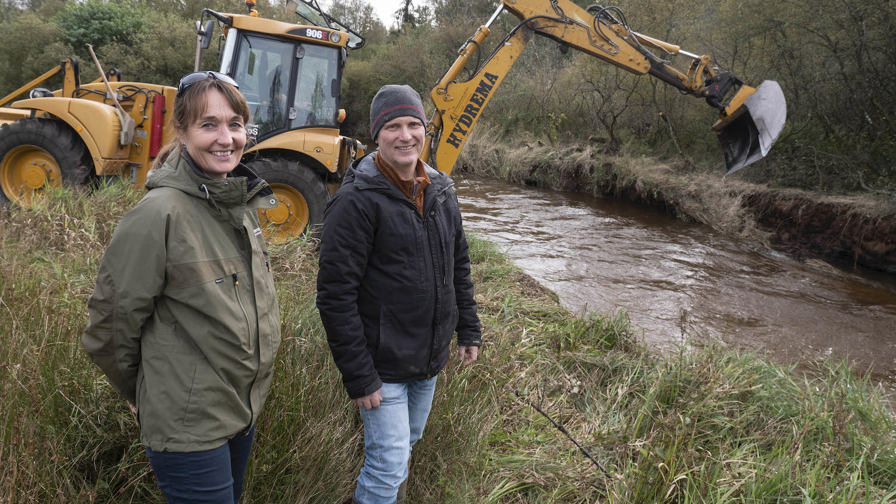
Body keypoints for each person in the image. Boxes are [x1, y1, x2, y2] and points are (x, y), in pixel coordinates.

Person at [81, 71, 281, 504]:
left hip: (239, 411)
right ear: (183, 132)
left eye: (235, 124)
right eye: (208, 125)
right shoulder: (158, 215)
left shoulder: (238, 204)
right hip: (188, 423)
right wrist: (142, 393)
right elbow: (109, 327)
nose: (226, 138)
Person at [316, 84, 482, 504]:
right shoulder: (356, 201)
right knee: (388, 464)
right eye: (393, 126)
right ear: (377, 136)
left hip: (427, 358)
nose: (405, 135)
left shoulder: (441, 191)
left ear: (425, 130)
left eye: (413, 124)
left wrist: (469, 329)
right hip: (381, 363)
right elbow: (335, 296)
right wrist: (359, 376)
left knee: (403, 448)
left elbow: (457, 265)